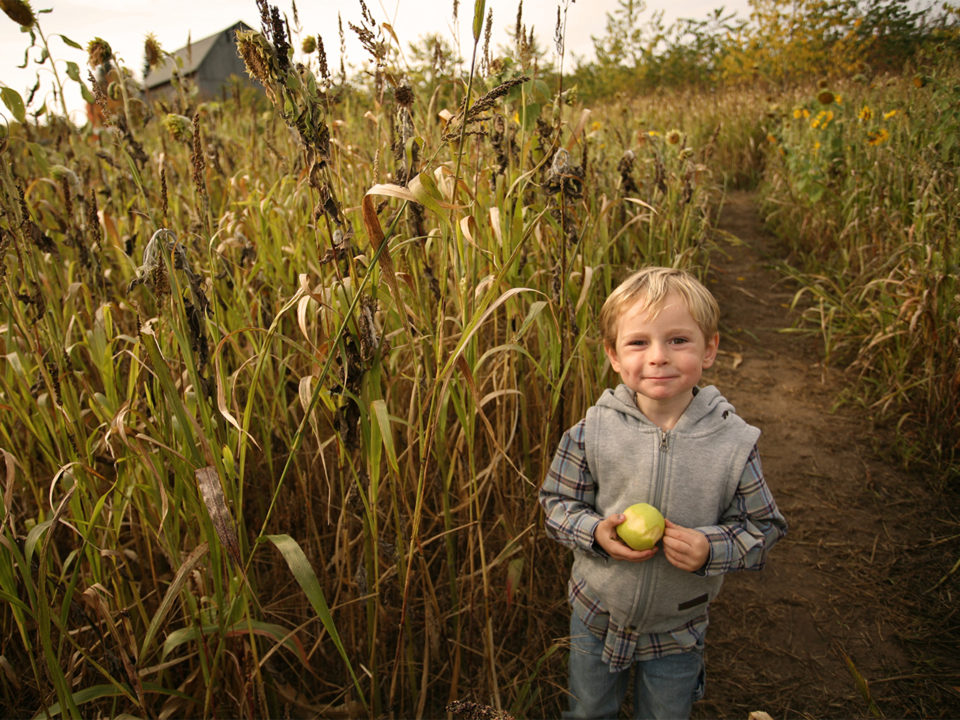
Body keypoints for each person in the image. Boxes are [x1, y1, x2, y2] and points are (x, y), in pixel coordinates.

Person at [539, 266, 787, 719]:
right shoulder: (591, 432)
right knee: (589, 710)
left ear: (709, 348)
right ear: (613, 355)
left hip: (679, 626)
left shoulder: (733, 444)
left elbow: (763, 526)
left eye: (678, 340)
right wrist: (595, 532)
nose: (658, 357)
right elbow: (556, 504)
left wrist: (712, 548)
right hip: (597, 612)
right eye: (638, 342)